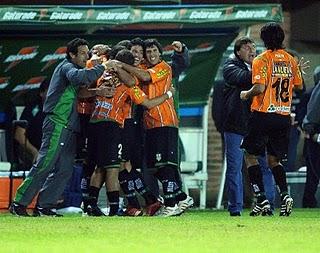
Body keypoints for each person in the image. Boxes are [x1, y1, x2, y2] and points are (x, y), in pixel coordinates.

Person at [10, 38, 113, 217]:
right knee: (44, 164)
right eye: (82, 53)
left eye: (87, 53)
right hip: (57, 122)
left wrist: (97, 92)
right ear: (72, 54)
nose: (85, 56)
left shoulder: (74, 70)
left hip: (69, 126)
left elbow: (80, 91)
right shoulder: (67, 67)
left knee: (65, 170)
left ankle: (45, 206)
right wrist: (104, 66)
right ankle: (19, 203)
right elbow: (80, 77)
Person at [116, 38, 192, 217]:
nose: (150, 55)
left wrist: (119, 64)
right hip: (150, 123)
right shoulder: (142, 67)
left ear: (160, 53)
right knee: (155, 166)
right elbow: (133, 76)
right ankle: (180, 198)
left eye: (154, 52)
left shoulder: (164, 67)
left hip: (164, 120)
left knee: (164, 165)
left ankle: (172, 204)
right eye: (147, 52)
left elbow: (144, 78)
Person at [240, 23, 303, 216]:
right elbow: (299, 86)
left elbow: (259, 88)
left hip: (263, 114)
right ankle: (285, 195)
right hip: (283, 116)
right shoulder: (290, 60)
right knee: (274, 160)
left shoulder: (262, 59)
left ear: (264, 39)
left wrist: (246, 94)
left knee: (250, 155)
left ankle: (262, 199)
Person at [222, 37, 275, 216]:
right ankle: (235, 208)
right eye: (246, 47)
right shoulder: (230, 67)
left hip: (257, 124)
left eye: (253, 47)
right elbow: (244, 78)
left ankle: (269, 205)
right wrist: (266, 71)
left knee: (264, 165)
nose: (252, 50)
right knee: (235, 167)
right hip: (236, 125)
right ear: (238, 52)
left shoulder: (258, 67)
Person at [14, 80, 49, 169]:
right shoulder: (32, 109)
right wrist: (35, 152)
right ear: (41, 93)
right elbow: (19, 135)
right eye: (50, 90)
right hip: (32, 151)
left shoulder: (62, 110)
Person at [300, 66, 320, 208]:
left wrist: (309, 128)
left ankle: (309, 200)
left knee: (314, 169)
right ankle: (309, 200)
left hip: (316, 133)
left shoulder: (313, 92)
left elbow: (312, 113)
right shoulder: (311, 93)